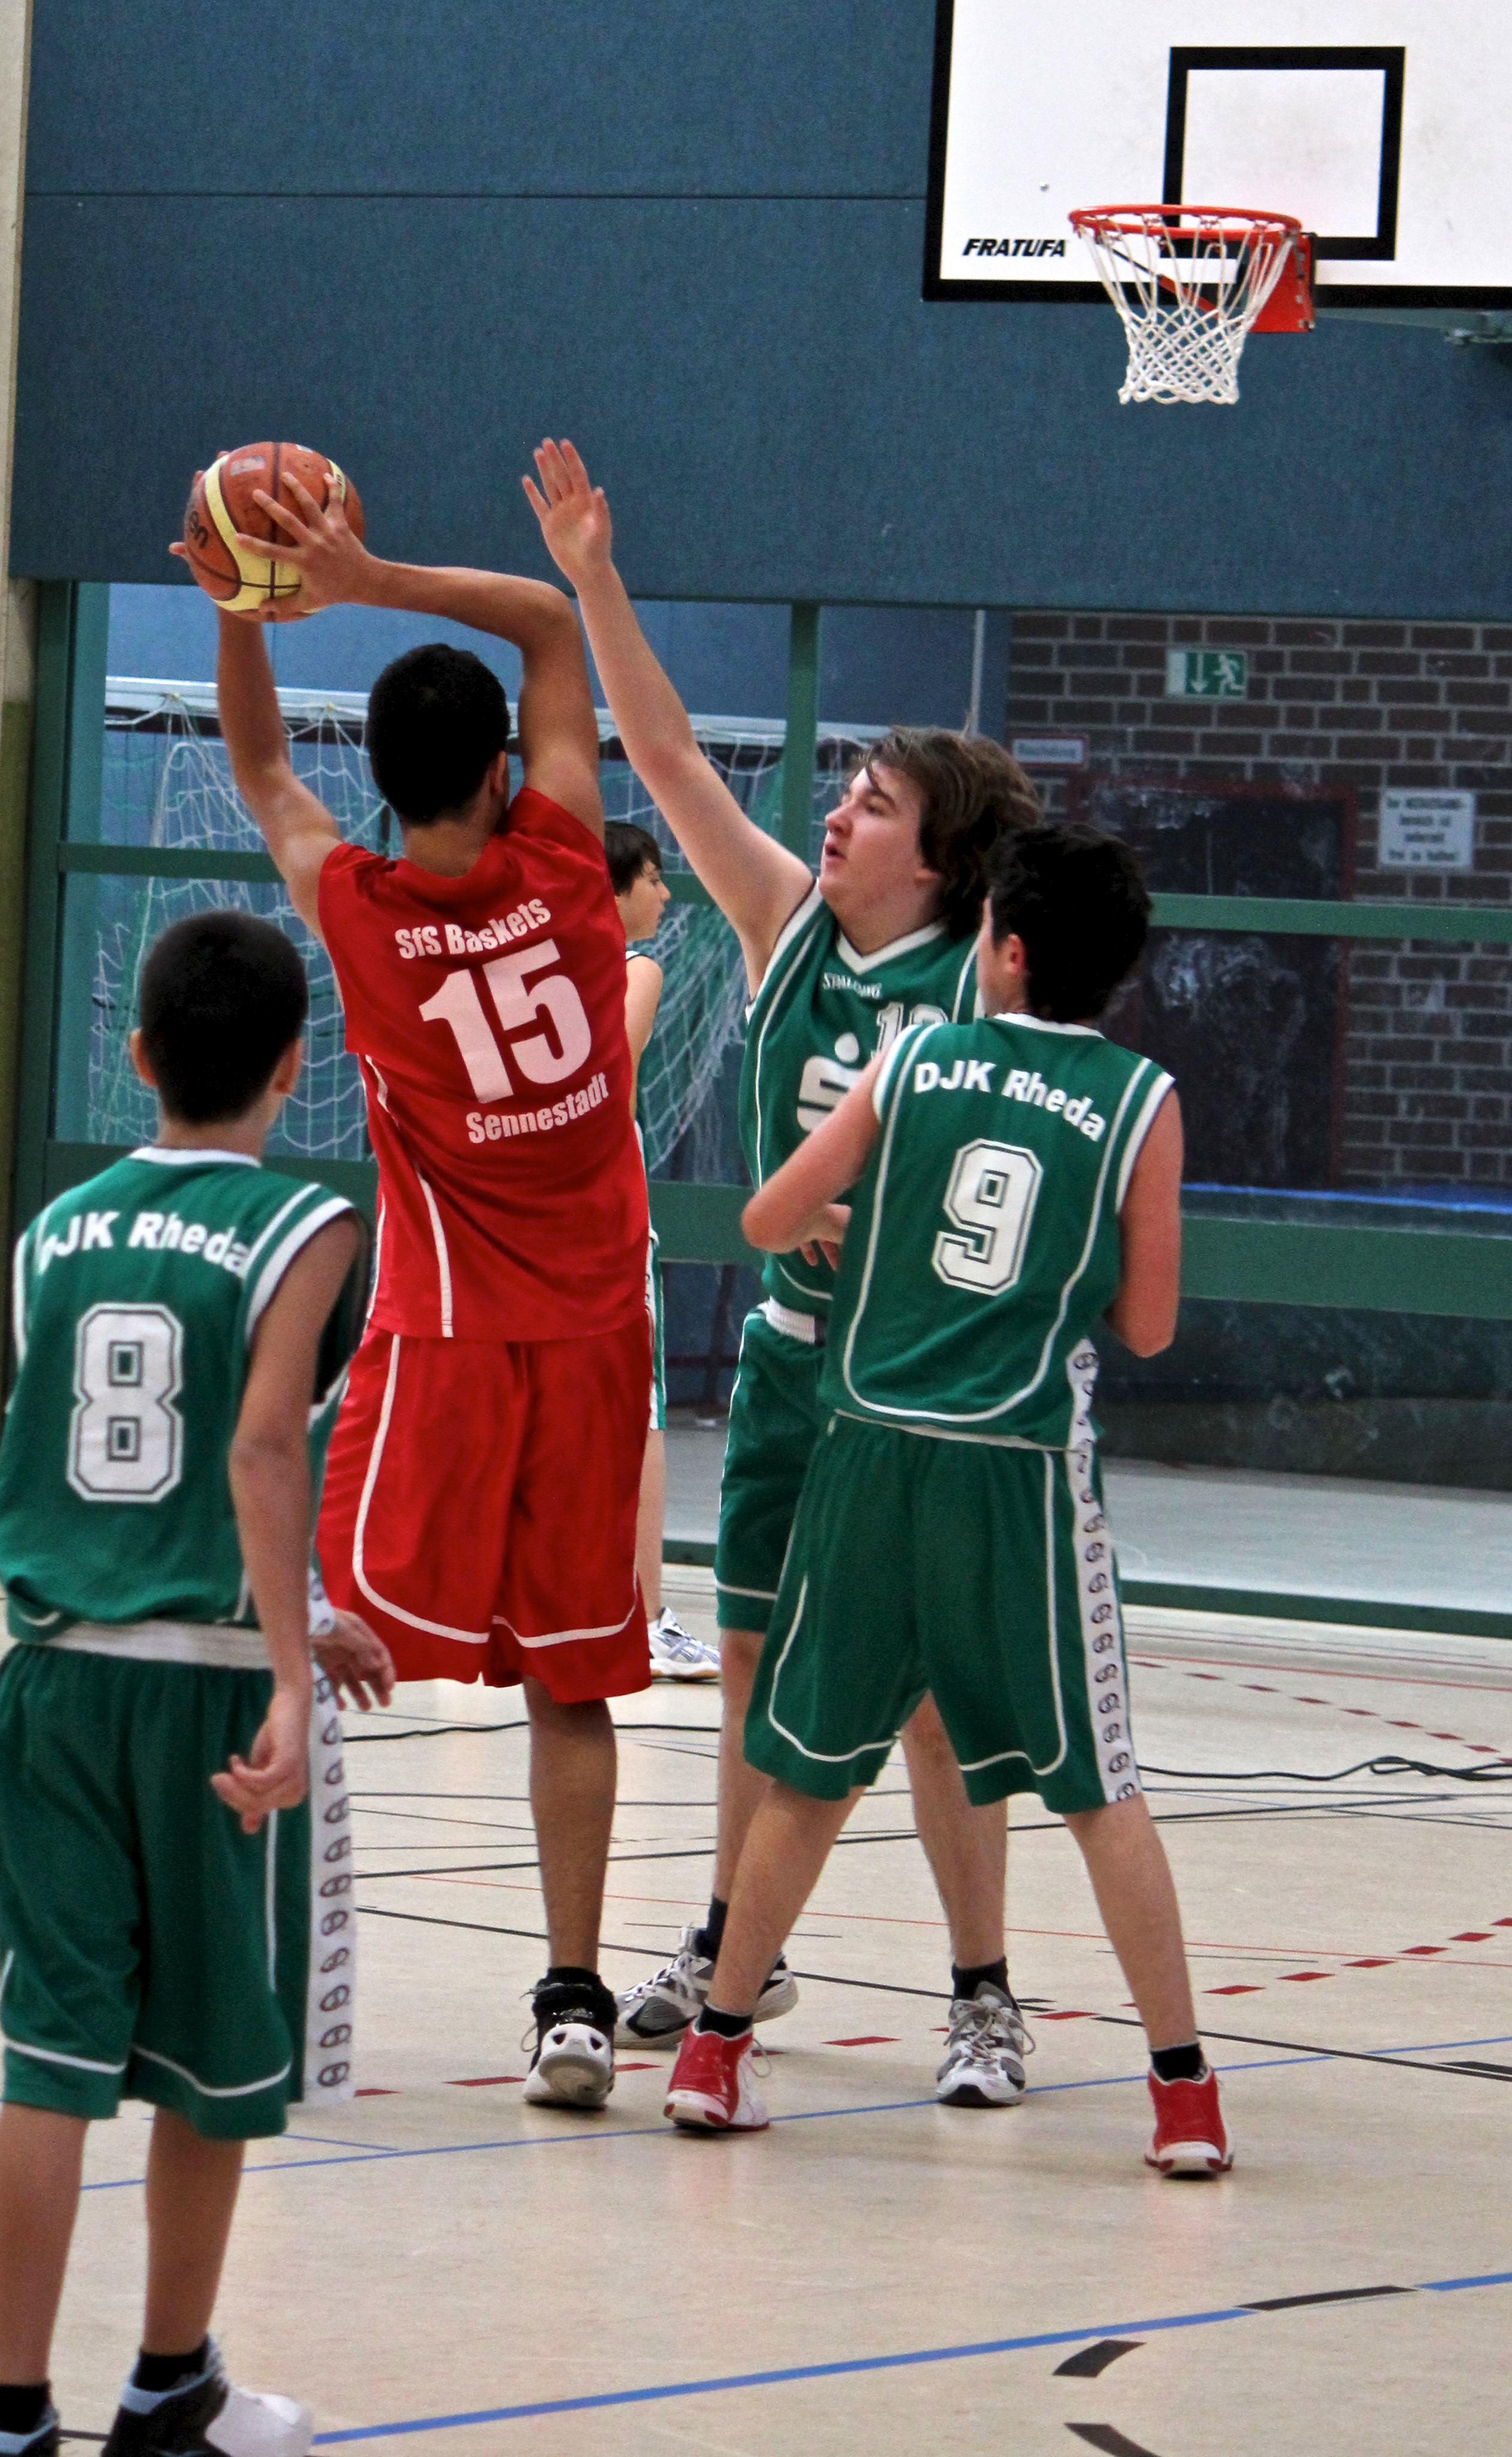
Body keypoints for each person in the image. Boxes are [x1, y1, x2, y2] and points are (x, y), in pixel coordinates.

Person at [525, 441, 1036, 2108]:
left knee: (929, 1706)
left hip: (917, 1389)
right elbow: (666, 753)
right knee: (747, 1665)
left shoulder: (984, 993)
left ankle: (983, 1994)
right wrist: (595, 575)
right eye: (845, 793)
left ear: (939, 863)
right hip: (788, 1368)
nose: (836, 813)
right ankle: (736, 1936)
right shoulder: (781, 916)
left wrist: (875, 1221)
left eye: (873, 805)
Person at [663, 824, 1233, 2179]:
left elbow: (765, 1221)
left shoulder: (916, 1059)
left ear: (1008, 950)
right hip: (1015, 1470)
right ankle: (1184, 2098)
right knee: (1100, 1789)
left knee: (810, 1769)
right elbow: (1149, 1325)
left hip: (868, 1450)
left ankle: (714, 2057)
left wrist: (863, 1233)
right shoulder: (1143, 1100)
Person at [202, 476, 652, 2111]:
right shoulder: (571, 864)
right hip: (593, 1339)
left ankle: (241, 1958)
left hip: (445, 1346)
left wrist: (248, 606)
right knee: (572, 1681)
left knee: (292, 1618)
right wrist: (368, 574)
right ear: (498, 773)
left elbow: (263, 772)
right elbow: (546, 621)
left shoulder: (361, 913)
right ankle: (575, 1996)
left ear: (382, 785)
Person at [0, 912, 395, 2457]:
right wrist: (290, 1665)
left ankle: (8, 2420)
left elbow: (107, 1480)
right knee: (212, 2066)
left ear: (139, 1055)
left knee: (51, 2060)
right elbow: (260, 1446)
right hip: (206, 1695)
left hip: (50, 1684)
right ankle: (168, 2395)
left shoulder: (51, 1232)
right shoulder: (307, 1225)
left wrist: (307, 1609)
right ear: (295, 1067)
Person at [605, 818, 721, 1681]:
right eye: (652, 876)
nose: (666, 891)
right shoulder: (631, 967)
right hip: (603, 1210)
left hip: (532, 1208)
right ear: (613, 886)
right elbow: (607, 1076)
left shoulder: (522, 967)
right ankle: (643, 1619)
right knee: (640, 1416)